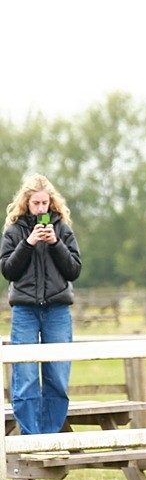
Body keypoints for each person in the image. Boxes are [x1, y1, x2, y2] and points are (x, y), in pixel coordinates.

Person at [0, 174, 82, 435]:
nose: (41, 208)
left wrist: (55, 243)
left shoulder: (63, 230)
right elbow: (8, 271)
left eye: (45, 203)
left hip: (57, 310)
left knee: (57, 375)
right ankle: (30, 436)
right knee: (25, 377)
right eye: (35, 203)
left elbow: (74, 270)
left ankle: (50, 436)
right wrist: (29, 243)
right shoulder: (13, 232)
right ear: (26, 202)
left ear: (51, 203)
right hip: (25, 310)